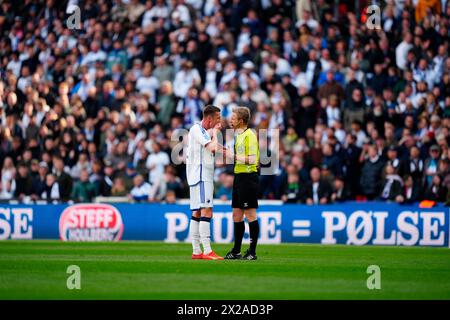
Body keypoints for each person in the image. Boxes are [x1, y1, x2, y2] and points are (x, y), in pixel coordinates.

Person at [186, 105, 223, 260]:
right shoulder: (197, 129)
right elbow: (212, 147)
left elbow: (216, 148)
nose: (220, 121)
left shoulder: (202, 132)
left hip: (198, 176)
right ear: (209, 119)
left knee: (197, 212)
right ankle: (207, 251)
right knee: (207, 211)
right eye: (218, 118)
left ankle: (196, 251)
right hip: (201, 176)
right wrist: (216, 133)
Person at [224, 107, 260, 260]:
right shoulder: (238, 136)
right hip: (238, 177)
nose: (230, 120)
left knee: (250, 214)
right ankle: (236, 251)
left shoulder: (249, 135)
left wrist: (233, 155)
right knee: (236, 215)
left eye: (233, 118)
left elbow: (252, 159)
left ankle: (252, 252)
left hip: (248, 177)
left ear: (241, 120)